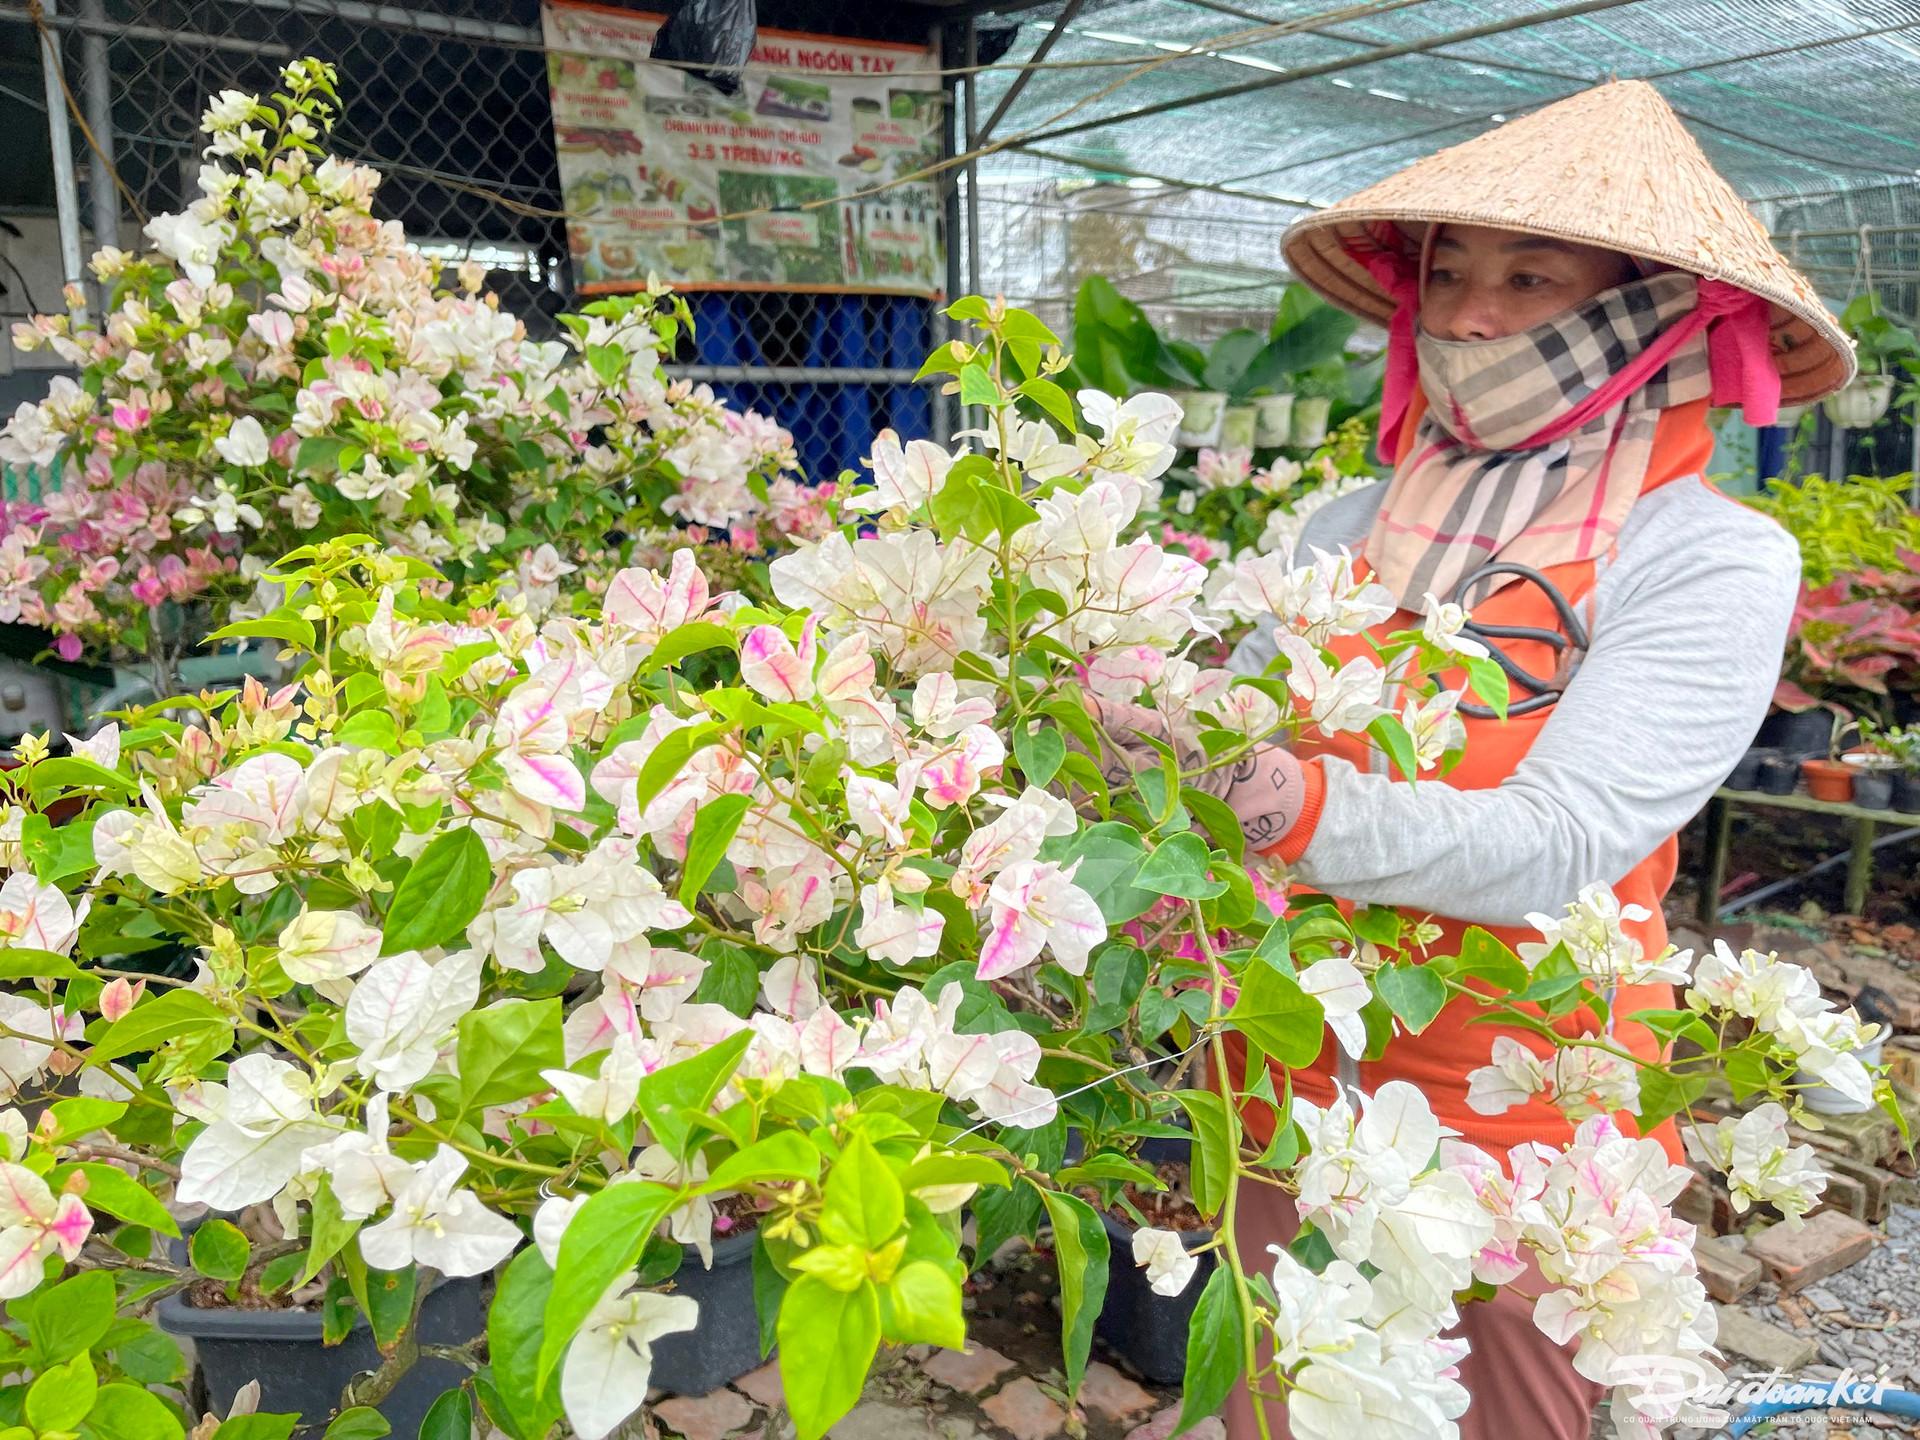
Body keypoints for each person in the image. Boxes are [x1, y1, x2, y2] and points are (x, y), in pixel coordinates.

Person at [1102, 81, 1854, 1439]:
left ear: (1652, 310)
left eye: (1528, 276)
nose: (1466, 316)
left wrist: (1281, 800)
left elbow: (1557, 846)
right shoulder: (1346, 516)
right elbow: (1245, 724)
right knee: (1289, 1393)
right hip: (1286, 1062)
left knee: (1510, 1409)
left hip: (1517, 1107)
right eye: (1446, 271)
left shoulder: (1707, 559)